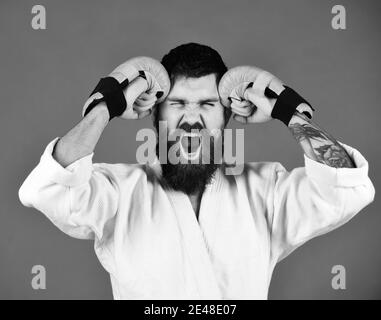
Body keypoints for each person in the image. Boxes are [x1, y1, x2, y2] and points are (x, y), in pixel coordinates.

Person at [18, 43, 375, 299]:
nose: (191, 120)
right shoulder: (119, 192)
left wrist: (287, 109)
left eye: (206, 104)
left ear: (227, 117)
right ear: (157, 115)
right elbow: (51, 187)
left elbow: (343, 187)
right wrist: (105, 105)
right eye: (177, 105)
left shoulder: (266, 190)